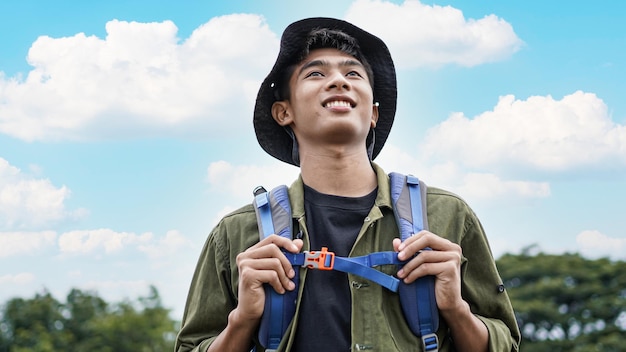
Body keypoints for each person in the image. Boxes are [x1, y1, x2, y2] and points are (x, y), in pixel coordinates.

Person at [175, 17, 521, 352]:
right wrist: (242, 319)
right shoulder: (236, 234)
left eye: (353, 73)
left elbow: (506, 342)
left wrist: (456, 309)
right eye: (316, 73)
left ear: (372, 113)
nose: (339, 81)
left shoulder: (447, 215)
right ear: (283, 112)